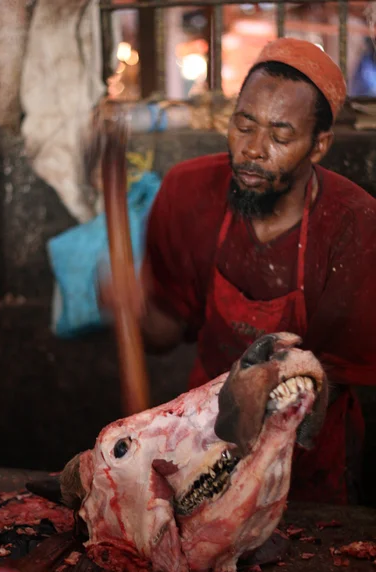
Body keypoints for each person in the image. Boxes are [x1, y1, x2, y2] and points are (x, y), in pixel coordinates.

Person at [100, 38, 376, 505]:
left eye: (280, 136)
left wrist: (269, 395)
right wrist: (135, 309)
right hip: (199, 442)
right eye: (243, 126)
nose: (253, 150)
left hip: (305, 462)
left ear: (319, 145)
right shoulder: (187, 192)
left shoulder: (356, 224)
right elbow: (166, 335)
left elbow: (349, 379)